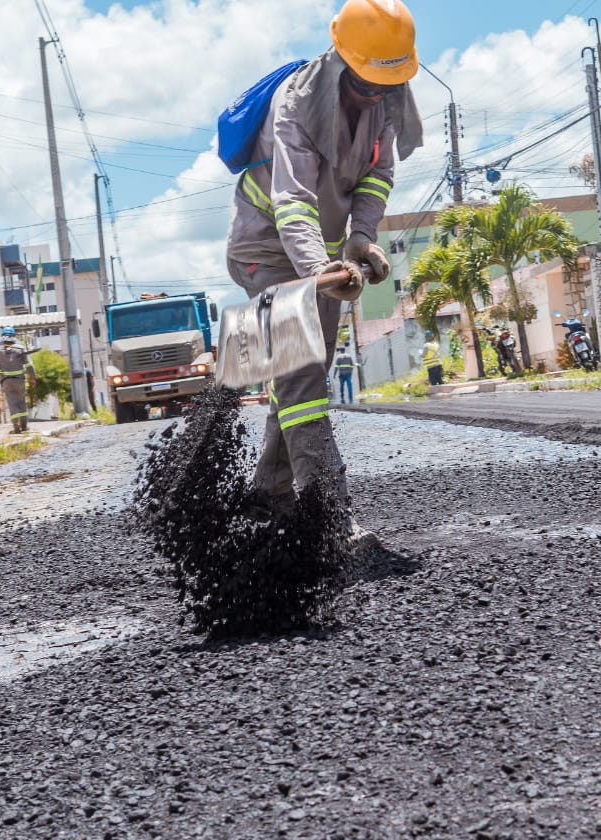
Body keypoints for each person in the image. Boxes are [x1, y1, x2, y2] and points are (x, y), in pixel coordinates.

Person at [226, 0, 422, 523]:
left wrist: (360, 238)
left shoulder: (386, 96)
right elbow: (292, 202)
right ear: (343, 63)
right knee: (301, 375)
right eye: (367, 84)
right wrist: (318, 272)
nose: (378, 95)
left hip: (326, 253)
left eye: (389, 84)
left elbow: (377, 178)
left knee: (305, 372)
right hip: (266, 251)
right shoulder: (295, 105)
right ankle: (329, 517)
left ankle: (268, 493)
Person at [0, 327, 36, 433]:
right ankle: (24, 426)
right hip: (20, 380)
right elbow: (29, 365)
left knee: (12, 402)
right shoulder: (20, 349)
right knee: (21, 402)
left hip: (6, 381)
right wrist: (32, 377)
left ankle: (16, 427)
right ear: (14, 336)